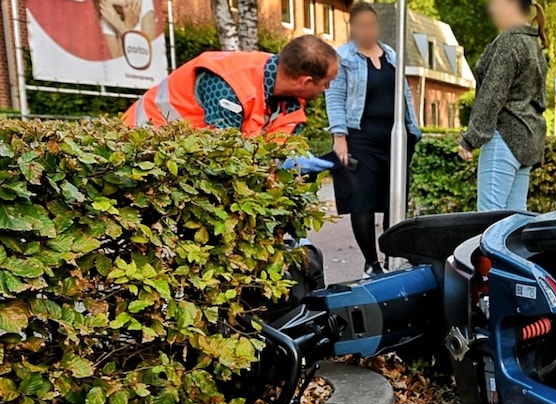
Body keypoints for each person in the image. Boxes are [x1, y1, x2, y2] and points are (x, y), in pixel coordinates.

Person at [123, 34, 338, 173]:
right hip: (138, 148)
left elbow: (271, 151)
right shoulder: (227, 85)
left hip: (178, 158)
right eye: (326, 83)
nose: (327, 88)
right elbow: (226, 159)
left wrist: (284, 160)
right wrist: (277, 162)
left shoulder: (290, 102)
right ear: (305, 82)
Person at [325, 2, 422, 278]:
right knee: (362, 201)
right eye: (362, 25)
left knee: (395, 201)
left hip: (395, 140)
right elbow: (334, 97)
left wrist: (413, 130)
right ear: (352, 27)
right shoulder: (343, 57)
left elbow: (405, 94)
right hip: (361, 140)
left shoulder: (391, 55)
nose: (367, 30)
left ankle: (394, 259)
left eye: (372, 24)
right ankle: (372, 264)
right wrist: (339, 136)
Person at [457, 0, 548, 211]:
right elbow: (540, 100)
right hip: (526, 141)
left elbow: (492, 95)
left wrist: (470, 139)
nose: (492, 9)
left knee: (490, 216)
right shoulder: (532, 43)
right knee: (515, 217)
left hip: (504, 138)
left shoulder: (509, 42)